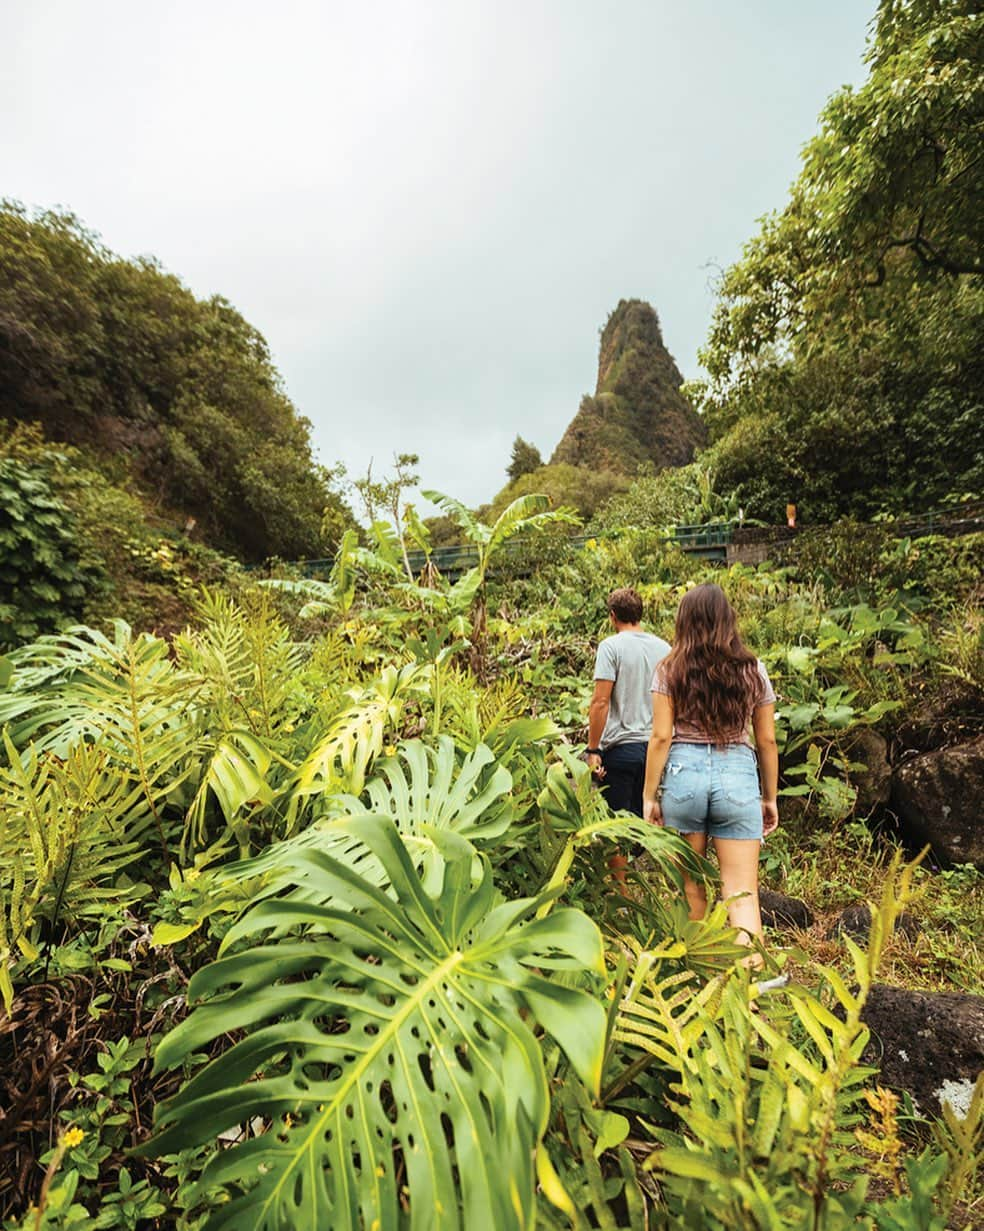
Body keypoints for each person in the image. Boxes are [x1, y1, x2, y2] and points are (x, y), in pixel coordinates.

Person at [642, 583, 778, 949]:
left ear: (684, 621)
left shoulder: (669, 669)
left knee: (690, 887)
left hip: (683, 777)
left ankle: (697, 987)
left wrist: (650, 796)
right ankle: (747, 996)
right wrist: (769, 798)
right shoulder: (753, 670)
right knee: (742, 894)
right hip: (737, 776)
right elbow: (765, 739)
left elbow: (660, 737)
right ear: (728, 620)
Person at [587, 587, 670, 818]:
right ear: (640, 614)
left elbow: (600, 702)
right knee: (647, 825)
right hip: (656, 750)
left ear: (612, 615)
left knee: (618, 831)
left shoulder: (611, 647)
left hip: (621, 749)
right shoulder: (665, 648)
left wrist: (593, 749)